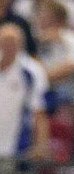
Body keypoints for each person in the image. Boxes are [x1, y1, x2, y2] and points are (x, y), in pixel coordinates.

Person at [0, 22, 49, 162]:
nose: (8, 47)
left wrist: (41, 145)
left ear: (20, 45)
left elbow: (39, 112)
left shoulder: (31, 72)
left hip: (16, 149)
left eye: (12, 43)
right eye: (4, 42)